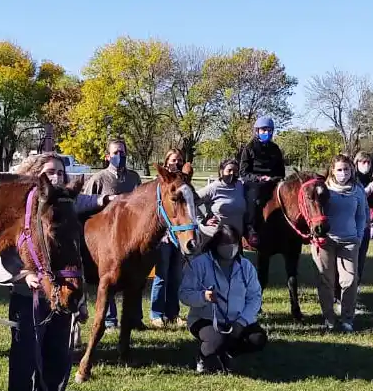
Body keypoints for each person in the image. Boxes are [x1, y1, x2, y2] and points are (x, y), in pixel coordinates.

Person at [0, 153, 115, 391]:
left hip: (60, 299)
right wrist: (23, 275)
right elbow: (3, 256)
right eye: (51, 172)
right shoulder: (21, 211)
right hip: (30, 299)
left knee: (56, 360)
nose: (57, 177)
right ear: (37, 175)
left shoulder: (65, 212)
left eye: (61, 172)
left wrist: (81, 297)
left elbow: (74, 257)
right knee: (25, 362)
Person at [179, 223, 266, 374]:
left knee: (258, 339)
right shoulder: (199, 264)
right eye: (225, 243)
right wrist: (203, 297)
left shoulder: (246, 267)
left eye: (233, 243)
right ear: (216, 243)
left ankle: (227, 353)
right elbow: (184, 294)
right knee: (217, 339)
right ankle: (202, 357)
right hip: (204, 319)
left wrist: (242, 322)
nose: (229, 247)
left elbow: (255, 297)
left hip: (236, 319)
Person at [82, 138, 142, 330]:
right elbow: (86, 205)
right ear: (108, 156)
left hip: (130, 237)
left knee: (132, 278)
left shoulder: (134, 178)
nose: (120, 156)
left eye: (122, 152)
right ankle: (109, 319)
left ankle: (133, 318)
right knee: (108, 278)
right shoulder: (98, 179)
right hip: (105, 237)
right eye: (116, 153)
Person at [313, 155, 368, 333]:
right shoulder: (324, 189)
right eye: (339, 169)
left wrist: (359, 237)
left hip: (350, 241)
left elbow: (362, 216)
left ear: (352, 170)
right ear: (332, 171)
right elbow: (314, 213)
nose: (343, 173)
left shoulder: (357, 190)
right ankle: (329, 318)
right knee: (326, 280)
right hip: (326, 241)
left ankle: (347, 319)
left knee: (350, 280)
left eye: (346, 169)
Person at [149, 149, 187, 328]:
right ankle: (156, 313)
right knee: (161, 276)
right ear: (166, 162)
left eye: (179, 160)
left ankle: (173, 313)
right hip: (164, 237)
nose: (176, 163)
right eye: (173, 160)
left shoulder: (184, 182)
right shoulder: (160, 183)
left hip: (179, 235)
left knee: (176, 276)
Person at [238, 116, 286, 246]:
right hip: (254, 182)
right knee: (254, 196)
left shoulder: (275, 149)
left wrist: (272, 178)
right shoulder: (249, 148)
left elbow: (281, 172)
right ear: (257, 131)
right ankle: (251, 229)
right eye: (263, 130)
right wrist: (258, 178)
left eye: (269, 130)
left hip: (272, 181)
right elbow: (243, 172)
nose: (266, 133)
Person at [197, 157, 248, 238]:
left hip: (236, 238)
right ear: (221, 171)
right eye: (229, 170)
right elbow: (190, 202)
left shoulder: (240, 186)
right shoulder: (213, 188)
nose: (232, 173)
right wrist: (202, 220)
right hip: (216, 237)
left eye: (235, 171)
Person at [353, 151, 373, 278]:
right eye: (363, 162)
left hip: (365, 222)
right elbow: (362, 194)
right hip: (354, 221)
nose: (366, 165)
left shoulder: (371, 176)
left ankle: (357, 285)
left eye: (368, 162)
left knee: (361, 258)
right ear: (357, 163)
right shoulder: (353, 177)